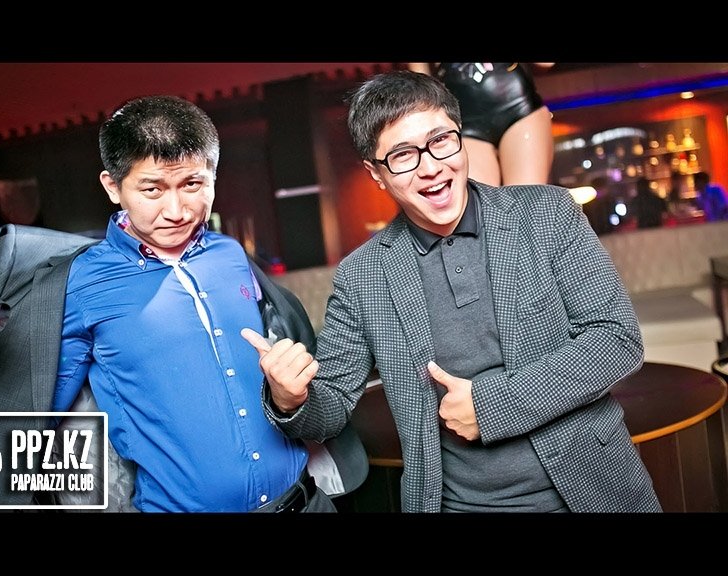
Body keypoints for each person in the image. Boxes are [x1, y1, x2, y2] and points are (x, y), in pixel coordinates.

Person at [242, 70, 661, 513]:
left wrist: (491, 405)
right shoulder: (363, 276)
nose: (431, 167)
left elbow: (616, 340)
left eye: (440, 140)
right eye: (403, 155)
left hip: (593, 491)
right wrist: (290, 398)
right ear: (376, 173)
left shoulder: (547, 214)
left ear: (461, 137)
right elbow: (331, 405)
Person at [0, 95, 366, 512]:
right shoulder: (80, 282)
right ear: (113, 187)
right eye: (152, 189)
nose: (176, 210)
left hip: (305, 501)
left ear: (213, 177)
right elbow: (35, 410)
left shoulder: (231, 255)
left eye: (192, 184)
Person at [407, 62, 555, 186]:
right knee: (479, 207)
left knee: (526, 201)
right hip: (464, 121)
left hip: (518, 106)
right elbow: (422, 84)